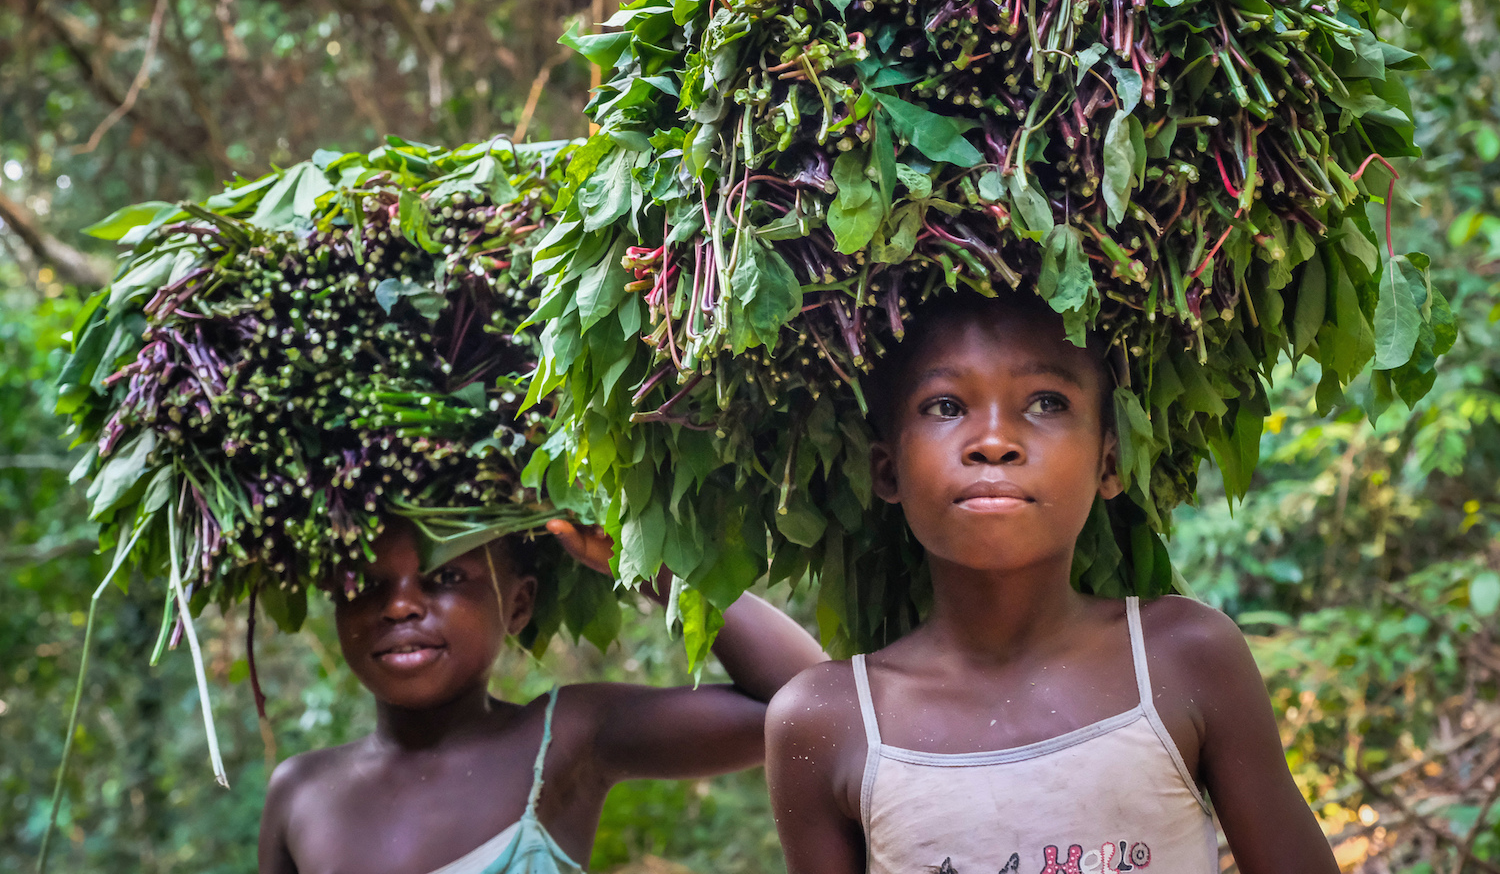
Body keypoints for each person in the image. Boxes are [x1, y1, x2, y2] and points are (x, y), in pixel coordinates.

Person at [764, 288, 1338, 874]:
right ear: (888, 470)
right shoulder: (827, 722)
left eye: (1045, 402)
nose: (993, 442)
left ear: (1109, 463)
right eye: (945, 406)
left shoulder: (1186, 657)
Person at [258, 517, 825, 874]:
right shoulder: (300, 791)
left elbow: (815, 706)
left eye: (447, 579)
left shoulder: (566, 740)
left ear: (519, 605)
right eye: (365, 584)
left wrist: (648, 566)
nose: (400, 606)